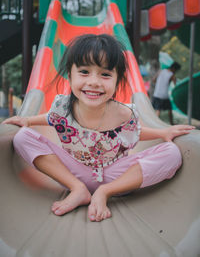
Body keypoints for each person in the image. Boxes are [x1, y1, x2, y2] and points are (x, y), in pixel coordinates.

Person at [2, 34, 194, 222]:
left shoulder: (124, 113)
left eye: (105, 74)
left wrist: (163, 132)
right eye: (84, 72)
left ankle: (104, 192)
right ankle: (78, 189)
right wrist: (28, 121)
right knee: (22, 138)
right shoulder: (62, 106)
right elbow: (52, 118)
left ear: (117, 80)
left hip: (115, 176)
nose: (94, 82)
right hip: (73, 172)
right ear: (70, 75)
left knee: (172, 153)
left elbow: (134, 133)